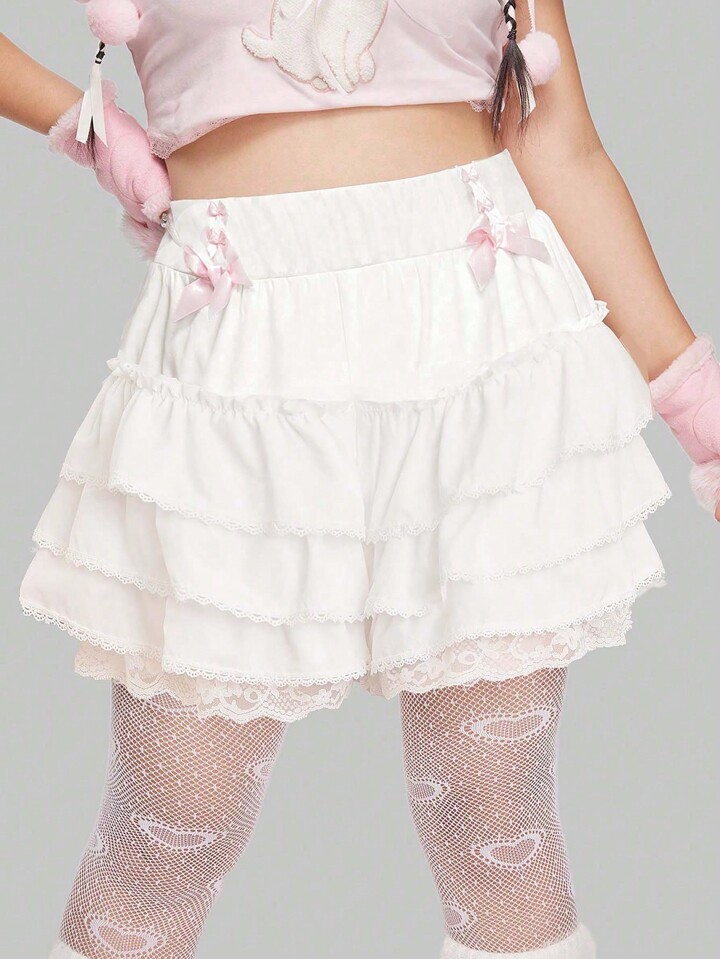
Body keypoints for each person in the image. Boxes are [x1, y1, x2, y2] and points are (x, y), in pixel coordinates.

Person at [3, 2, 718, 957]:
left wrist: (699, 408)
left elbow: (560, 146)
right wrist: (80, 122)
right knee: (172, 824)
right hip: (237, 359)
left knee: (493, 818)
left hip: (480, 342)